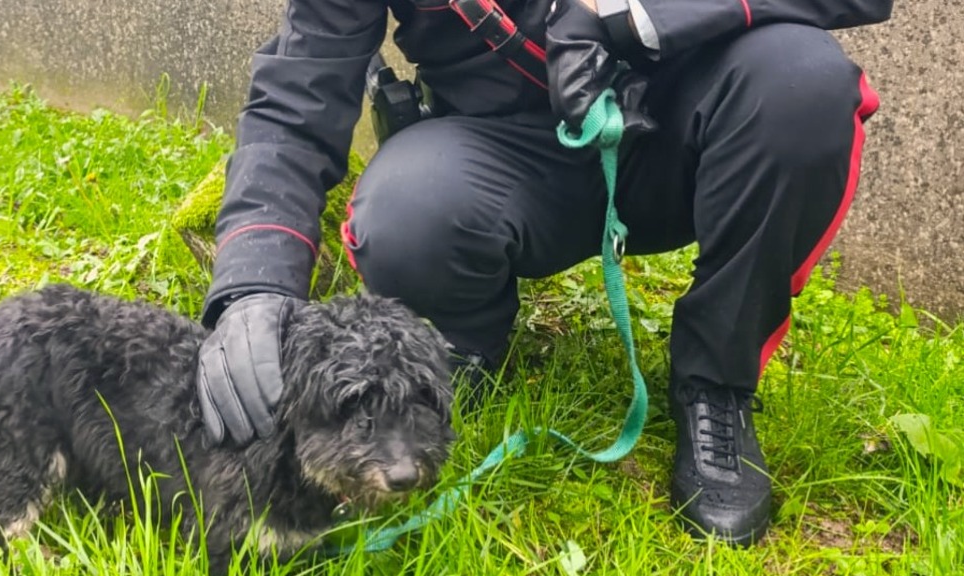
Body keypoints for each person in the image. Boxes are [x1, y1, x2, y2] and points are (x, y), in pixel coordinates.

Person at [192, 0, 894, 546]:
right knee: (408, 211)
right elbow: (294, 99)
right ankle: (461, 355)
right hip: (507, 156)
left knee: (801, 84)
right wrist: (254, 282)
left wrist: (627, 17)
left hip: (684, 132)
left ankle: (716, 384)